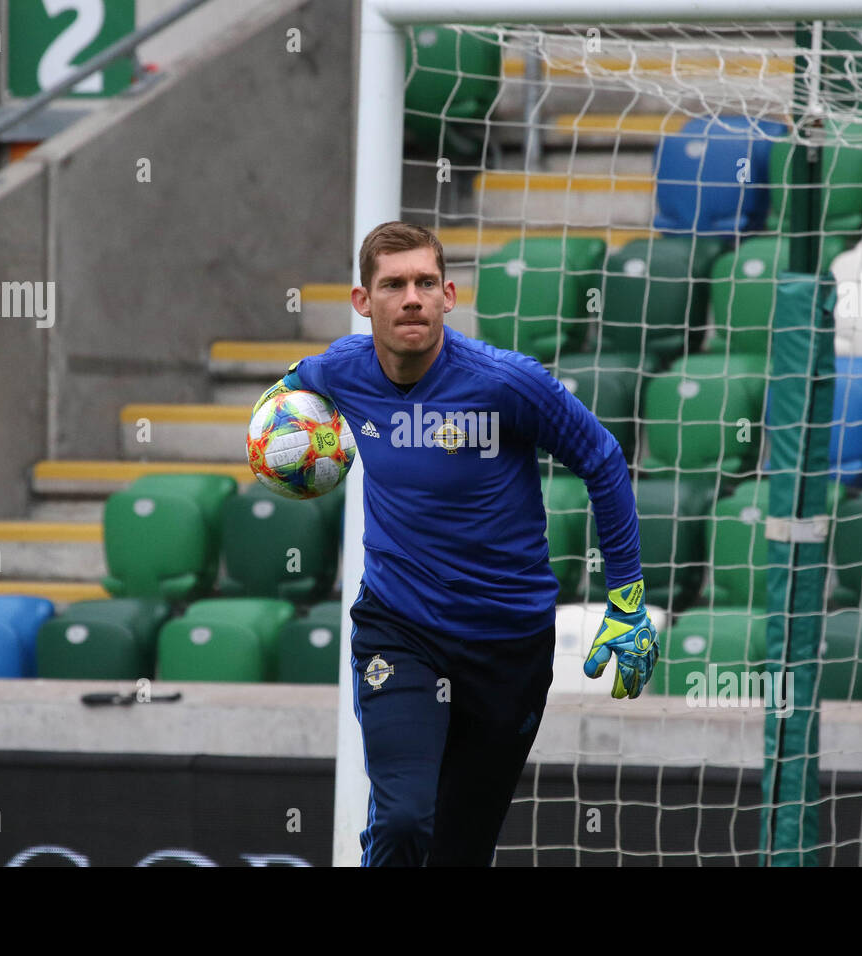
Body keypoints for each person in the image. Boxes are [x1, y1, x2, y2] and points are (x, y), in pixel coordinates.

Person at [254, 221, 657, 866]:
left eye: (424, 283)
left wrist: (628, 600)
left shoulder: (506, 383)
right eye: (393, 285)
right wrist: (283, 440)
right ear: (364, 302)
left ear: (449, 295)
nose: (411, 297)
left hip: (509, 644)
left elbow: (603, 459)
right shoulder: (337, 372)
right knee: (405, 820)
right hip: (400, 628)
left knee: (457, 851)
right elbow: (285, 394)